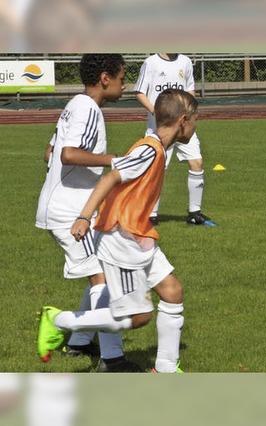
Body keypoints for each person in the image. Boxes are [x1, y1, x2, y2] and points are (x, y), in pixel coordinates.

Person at [37, 88, 198, 373]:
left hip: (141, 235)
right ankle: (59, 320)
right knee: (139, 317)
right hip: (123, 238)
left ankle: (166, 370)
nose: (197, 125)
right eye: (196, 119)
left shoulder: (157, 148)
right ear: (184, 120)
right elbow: (112, 175)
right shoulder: (148, 150)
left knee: (172, 291)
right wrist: (85, 217)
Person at [35, 54, 140, 371]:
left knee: (102, 271)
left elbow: (50, 152)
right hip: (69, 212)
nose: (125, 84)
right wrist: (115, 161)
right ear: (106, 78)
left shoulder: (76, 105)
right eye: (123, 77)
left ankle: (79, 342)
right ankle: (112, 359)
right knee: (104, 279)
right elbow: (67, 154)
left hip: (69, 206)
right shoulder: (88, 108)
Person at [134, 53, 215, 226]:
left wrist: (187, 114)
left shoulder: (185, 62)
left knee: (197, 163)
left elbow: (190, 91)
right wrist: (158, 113)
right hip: (160, 128)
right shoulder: (151, 63)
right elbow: (140, 93)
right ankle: (151, 214)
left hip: (183, 126)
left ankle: (195, 213)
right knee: (157, 169)